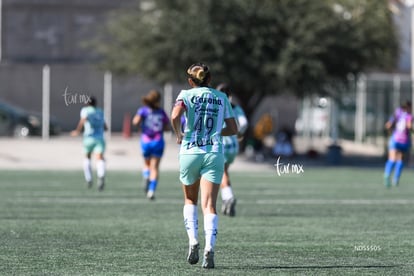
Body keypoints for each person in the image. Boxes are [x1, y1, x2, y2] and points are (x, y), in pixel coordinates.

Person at [170, 63, 238, 269]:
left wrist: (179, 134)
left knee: (190, 199)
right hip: (214, 153)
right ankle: (209, 247)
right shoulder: (222, 97)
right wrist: (216, 132)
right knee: (209, 205)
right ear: (210, 79)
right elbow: (233, 129)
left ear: (191, 81)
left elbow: (174, 116)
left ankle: (193, 241)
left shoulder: (185, 94)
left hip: (190, 151)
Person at [216, 83, 248, 217]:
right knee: (224, 172)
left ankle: (228, 196)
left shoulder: (216, 106)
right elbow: (244, 123)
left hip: (221, 144)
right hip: (233, 146)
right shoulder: (235, 107)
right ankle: (226, 198)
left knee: (221, 173)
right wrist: (240, 133)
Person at [132, 89, 170, 200]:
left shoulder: (143, 110)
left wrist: (141, 127)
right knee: (155, 167)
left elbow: (135, 122)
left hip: (145, 141)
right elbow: (167, 128)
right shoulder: (161, 112)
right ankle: (151, 191)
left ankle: (145, 176)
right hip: (158, 141)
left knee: (146, 164)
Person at [71, 96, 107, 191]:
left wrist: (77, 131)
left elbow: (83, 120)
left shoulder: (85, 110)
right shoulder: (100, 111)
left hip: (88, 137)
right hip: (99, 138)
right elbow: (105, 125)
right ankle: (101, 176)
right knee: (100, 158)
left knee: (87, 157)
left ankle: (89, 179)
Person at [383, 101, 412, 188]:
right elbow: (409, 126)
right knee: (400, 159)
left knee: (392, 158)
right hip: (404, 141)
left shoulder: (397, 113)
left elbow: (388, 125)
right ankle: (396, 178)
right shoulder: (409, 116)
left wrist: (390, 131)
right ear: (409, 107)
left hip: (395, 139)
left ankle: (387, 175)